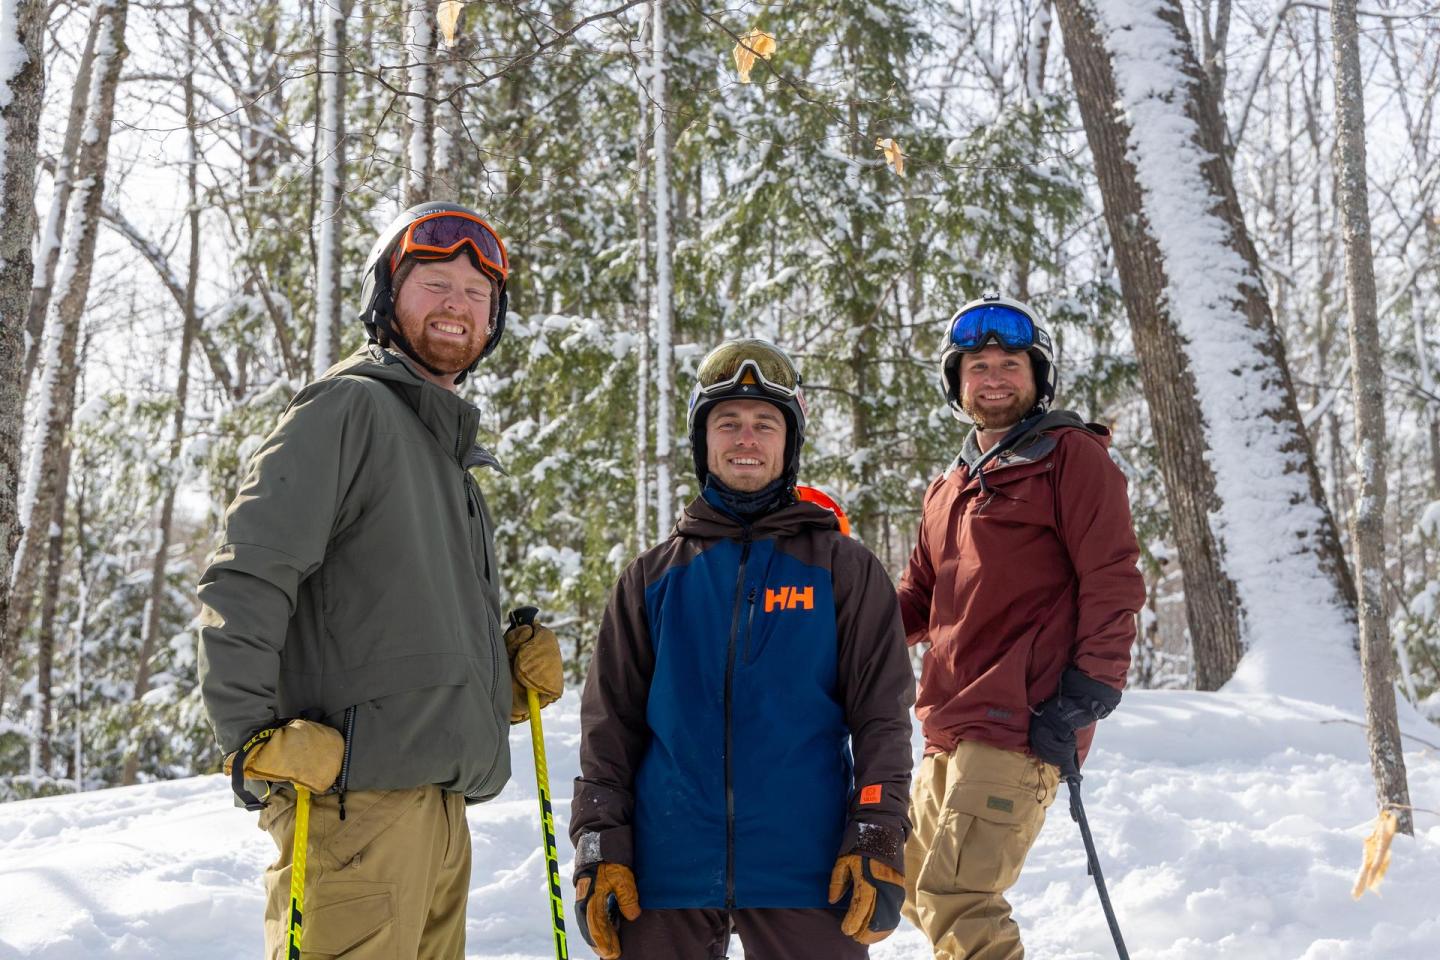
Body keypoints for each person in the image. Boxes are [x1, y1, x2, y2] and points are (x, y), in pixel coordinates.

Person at [196, 201, 565, 959]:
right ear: (385, 298)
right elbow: (247, 574)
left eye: (476, 294)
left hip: (440, 817)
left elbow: (390, 649)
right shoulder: (350, 409)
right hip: (350, 814)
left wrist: (504, 682)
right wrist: (252, 738)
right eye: (435, 282)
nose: (458, 305)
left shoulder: (442, 457)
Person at [569, 339, 915, 959]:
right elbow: (609, 730)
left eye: (765, 424)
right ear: (703, 442)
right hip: (664, 872)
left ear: (790, 442)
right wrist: (600, 841)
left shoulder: (845, 569)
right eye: (727, 423)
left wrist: (877, 831)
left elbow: (882, 720)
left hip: (806, 869)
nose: (746, 438)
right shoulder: (651, 578)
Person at [898, 293, 1145, 960]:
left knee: (959, 899)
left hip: (1023, 719)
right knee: (915, 887)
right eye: (978, 366)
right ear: (958, 383)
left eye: (1011, 363)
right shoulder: (948, 487)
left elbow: (1112, 576)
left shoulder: (1070, 457)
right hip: (948, 724)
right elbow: (918, 598)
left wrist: (1087, 692)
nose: (995, 377)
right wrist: (839, 634)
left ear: (1037, 378)